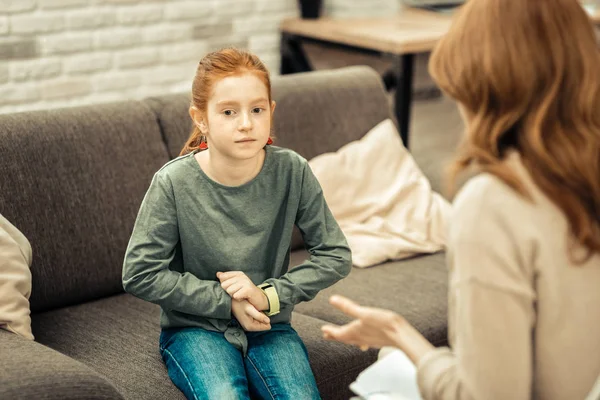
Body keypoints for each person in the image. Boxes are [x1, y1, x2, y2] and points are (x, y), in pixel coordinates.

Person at [321, 0, 600, 399]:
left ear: (482, 89)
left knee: (385, 371)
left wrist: (404, 341)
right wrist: (402, 334)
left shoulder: (495, 204)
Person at [122, 48, 352, 400]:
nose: (246, 123)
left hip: (269, 324)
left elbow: (335, 254)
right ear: (201, 119)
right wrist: (226, 302)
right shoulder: (173, 183)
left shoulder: (292, 171)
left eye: (257, 110)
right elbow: (140, 273)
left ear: (271, 112)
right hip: (194, 330)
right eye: (229, 112)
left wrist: (268, 296)